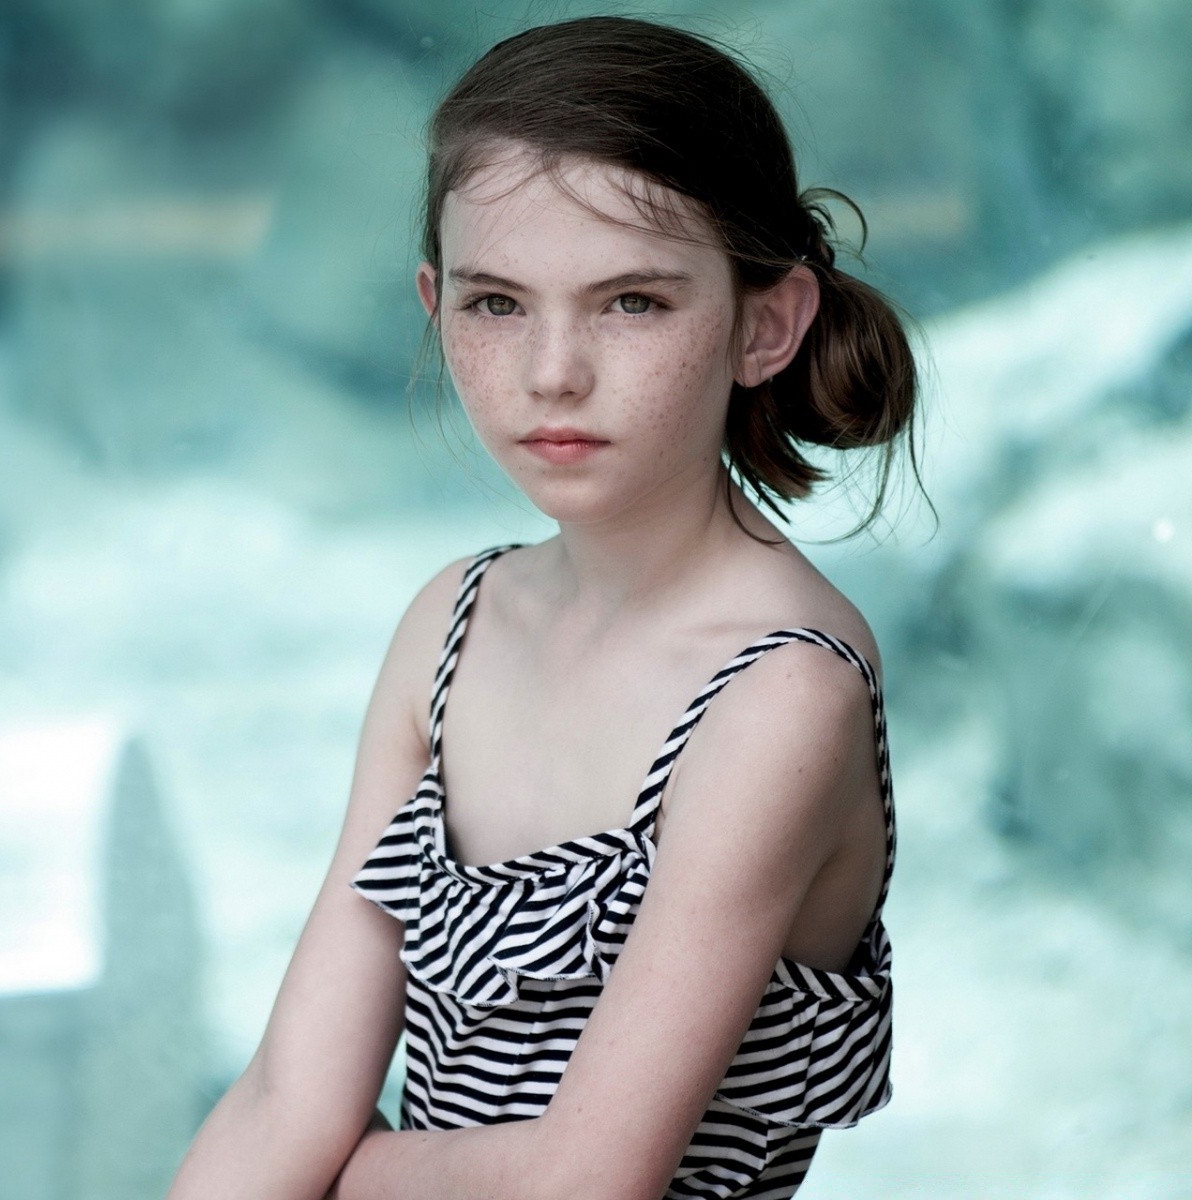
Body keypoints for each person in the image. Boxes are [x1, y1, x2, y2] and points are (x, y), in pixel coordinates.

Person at [165, 13, 921, 1200]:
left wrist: (348, 1179)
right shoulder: (449, 627)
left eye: (632, 302)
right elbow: (282, 1102)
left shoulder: (782, 691)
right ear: (434, 304)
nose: (552, 370)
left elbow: (585, 1184)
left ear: (765, 324)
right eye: (497, 303)